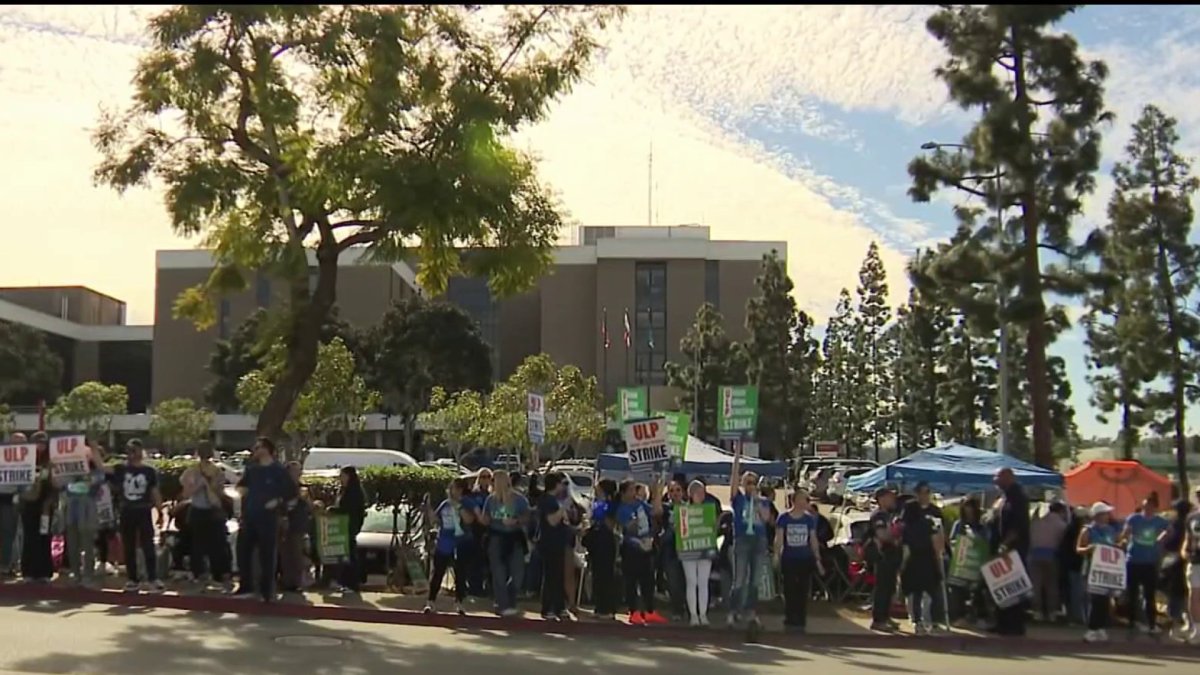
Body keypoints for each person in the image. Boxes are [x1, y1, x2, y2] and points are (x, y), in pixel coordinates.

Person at [232, 437, 297, 602]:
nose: (255, 450)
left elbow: (291, 494)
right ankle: (246, 587)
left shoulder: (278, 470)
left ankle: (266, 591)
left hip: (268, 519)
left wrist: (278, 501)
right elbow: (240, 486)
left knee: (267, 555)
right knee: (243, 551)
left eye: (258, 447)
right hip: (249, 516)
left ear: (267, 449)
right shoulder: (252, 469)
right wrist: (242, 491)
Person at [108, 439, 163, 592]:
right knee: (129, 546)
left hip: (144, 510)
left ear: (141, 451)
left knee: (148, 545)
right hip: (127, 510)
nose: (133, 454)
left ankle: (153, 578)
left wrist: (160, 510)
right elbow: (101, 468)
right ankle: (133, 579)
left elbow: (154, 491)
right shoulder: (121, 469)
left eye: (135, 450)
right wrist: (93, 448)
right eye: (130, 451)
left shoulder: (149, 471)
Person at [728, 457, 772, 629]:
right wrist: (736, 459)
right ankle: (733, 612)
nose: (750, 485)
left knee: (754, 581)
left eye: (753, 483)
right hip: (742, 540)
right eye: (747, 483)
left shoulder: (764, 501)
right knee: (739, 579)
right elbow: (732, 483)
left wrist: (757, 501)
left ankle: (751, 612)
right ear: (743, 484)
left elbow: (766, 518)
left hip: (759, 540)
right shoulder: (738, 499)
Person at [617, 476, 667, 625]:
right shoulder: (622, 508)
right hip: (631, 548)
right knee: (632, 581)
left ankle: (650, 611)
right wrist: (635, 520)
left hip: (646, 546)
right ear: (624, 492)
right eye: (632, 489)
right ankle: (634, 612)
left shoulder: (640, 503)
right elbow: (628, 527)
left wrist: (657, 492)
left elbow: (656, 512)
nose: (635, 492)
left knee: (648, 581)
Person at [180, 443, 230, 589]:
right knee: (201, 545)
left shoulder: (215, 471)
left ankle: (210, 575)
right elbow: (187, 493)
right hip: (200, 510)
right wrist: (200, 485)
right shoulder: (194, 471)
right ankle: (205, 574)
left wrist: (206, 485)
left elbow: (217, 492)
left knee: (210, 544)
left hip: (209, 510)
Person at [480, 470, 529, 617]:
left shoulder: (519, 499)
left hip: (514, 537)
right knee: (498, 573)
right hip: (496, 537)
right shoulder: (491, 500)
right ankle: (502, 604)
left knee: (518, 573)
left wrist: (517, 521)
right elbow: (485, 518)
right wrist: (484, 519)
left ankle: (509, 599)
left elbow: (527, 516)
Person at [775, 488, 823, 633]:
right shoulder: (784, 518)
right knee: (789, 589)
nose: (804, 502)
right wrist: (776, 555)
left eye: (806, 499)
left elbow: (813, 539)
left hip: (805, 557)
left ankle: (801, 619)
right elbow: (779, 538)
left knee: (803, 589)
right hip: (789, 558)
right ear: (794, 500)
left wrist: (817, 559)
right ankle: (790, 618)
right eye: (802, 499)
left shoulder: (809, 519)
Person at [425, 477, 475, 616]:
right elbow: (435, 519)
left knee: (461, 573)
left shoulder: (466, 503)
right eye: (452, 488)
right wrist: (429, 509)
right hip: (445, 541)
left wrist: (458, 507)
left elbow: (469, 520)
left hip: (461, 541)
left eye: (457, 488)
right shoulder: (445, 504)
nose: (454, 491)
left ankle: (459, 602)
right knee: (438, 572)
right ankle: (431, 601)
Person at [60, 443, 107, 587]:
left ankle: (88, 575)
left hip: (87, 509)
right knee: (72, 542)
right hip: (71, 509)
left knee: (87, 543)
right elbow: (61, 485)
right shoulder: (70, 472)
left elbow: (92, 485)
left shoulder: (96, 472)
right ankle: (75, 573)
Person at [1122, 493, 1169, 635]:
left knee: (1149, 594)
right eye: (1145, 505)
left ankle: (1151, 623)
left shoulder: (1160, 520)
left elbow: (1169, 530)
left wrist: (1160, 539)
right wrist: (1124, 540)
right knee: (1132, 592)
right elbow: (1125, 533)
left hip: (1150, 561)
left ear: (1155, 507)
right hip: (1133, 559)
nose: (1147, 508)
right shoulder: (1134, 518)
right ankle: (1132, 621)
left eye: (1150, 506)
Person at [992, 468, 1031, 636]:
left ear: (1008, 477)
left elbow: (1018, 525)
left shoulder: (1018, 497)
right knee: (1001, 585)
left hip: (1014, 548)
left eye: (998, 477)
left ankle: (1015, 625)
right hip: (1004, 546)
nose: (995, 480)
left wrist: (1005, 545)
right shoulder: (1004, 497)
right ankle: (1002, 622)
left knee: (1013, 586)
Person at [900, 488, 942, 635]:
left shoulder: (905, 527)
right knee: (929, 592)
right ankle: (929, 621)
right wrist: (938, 558)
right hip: (927, 559)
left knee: (914, 592)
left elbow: (905, 546)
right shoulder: (927, 524)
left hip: (913, 560)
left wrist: (902, 565)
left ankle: (917, 622)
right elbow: (936, 541)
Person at [678, 479, 718, 627]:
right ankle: (693, 615)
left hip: (704, 548)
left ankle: (703, 614)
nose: (702, 496)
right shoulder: (683, 510)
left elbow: (712, 528)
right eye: (698, 493)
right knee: (691, 581)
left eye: (703, 493)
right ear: (691, 494)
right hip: (689, 548)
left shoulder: (708, 510)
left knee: (703, 581)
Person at [1078, 501, 1119, 643]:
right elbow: (1079, 549)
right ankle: (1091, 629)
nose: (1107, 516)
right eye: (1105, 513)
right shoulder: (1087, 530)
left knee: (1105, 600)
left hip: (1107, 570)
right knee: (1095, 600)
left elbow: (1113, 546)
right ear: (1097, 516)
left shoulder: (1110, 530)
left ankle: (1100, 627)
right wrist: (1089, 548)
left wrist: (1120, 546)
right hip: (1092, 569)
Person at [19, 433, 55, 583]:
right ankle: (28, 571)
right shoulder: (24, 460)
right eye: (37, 442)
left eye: (43, 442)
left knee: (44, 537)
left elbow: (55, 485)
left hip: (46, 505)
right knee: (29, 537)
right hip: (28, 504)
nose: (41, 445)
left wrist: (50, 503)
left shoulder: (51, 461)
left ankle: (44, 572)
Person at [947, 496, 990, 626]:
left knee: (978, 589)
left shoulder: (981, 527)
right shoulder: (959, 525)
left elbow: (985, 542)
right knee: (957, 588)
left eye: (971, 508)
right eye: (966, 508)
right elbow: (952, 541)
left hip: (976, 562)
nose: (968, 511)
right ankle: (958, 616)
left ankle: (980, 616)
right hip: (961, 562)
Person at [537, 472, 571, 621]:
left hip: (558, 541)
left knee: (558, 575)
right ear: (556, 484)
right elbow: (552, 520)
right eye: (562, 483)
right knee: (551, 575)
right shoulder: (547, 500)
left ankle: (559, 606)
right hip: (549, 542)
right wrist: (563, 509)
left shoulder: (555, 500)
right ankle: (548, 607)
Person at [583, 478, 618, 620]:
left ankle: (608, 608)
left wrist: (603, 512)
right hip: (596, 541)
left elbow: (611, 525)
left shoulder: (611, 504)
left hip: (606, 541)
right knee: (596, 574)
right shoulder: (596, 503)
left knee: (606, 575)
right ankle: (599, 606)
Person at [868, 487, 902, 632]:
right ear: (881, 499)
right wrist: (895, 534)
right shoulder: (879, 515)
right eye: (890, 497)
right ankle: (878, 619)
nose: (893, 499)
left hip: (892, 556)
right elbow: (882, 535)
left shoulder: (889, 515)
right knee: (882, 588)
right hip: (883, 556)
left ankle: (886, 616)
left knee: (890, 587)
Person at [329, 466, 366, 595]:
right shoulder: (343, 490)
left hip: (349, 526)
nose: (341, 479)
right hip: (342, 526)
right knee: (345, 555)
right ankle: (344, 582)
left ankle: (352, 584)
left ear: (349, 476)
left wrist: (332, 510)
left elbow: (348, 510)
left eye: (343, 476)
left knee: (350, 555)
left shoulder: (354, 492)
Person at [1029, 501, 1068, 622]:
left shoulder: (1036, 522)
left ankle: (1037, 611)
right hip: (1052, 555)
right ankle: (1051, 612)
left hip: (1035, 555)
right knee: (1051, 585)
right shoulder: (1062, 525)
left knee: (1036, 584)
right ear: (1061, 511)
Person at [278, 461, 311, 593]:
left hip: (298, 524)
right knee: (285, 553)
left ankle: (296, 582)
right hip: (284, 523)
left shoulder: (302, 487)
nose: (298, 474)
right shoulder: (282, 487)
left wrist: (307, 499)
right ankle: (287, 581)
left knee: (296, 552)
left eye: (299, 471)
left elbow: (308, 506)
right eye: (295, 471)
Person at [1163, 498, 1193, 641]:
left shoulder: (1177, 524)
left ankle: (1175, 625)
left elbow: (1169, 544)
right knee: (1189, 594)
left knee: (1176, 593)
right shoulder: (1191, 523)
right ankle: (1188, 623)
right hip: (1189, 560)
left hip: (1177, 561)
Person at [0, 432, 27, 577]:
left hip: (12, 500)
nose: (17, 444)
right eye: (14, 441)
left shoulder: (27, 459)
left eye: (21, 442)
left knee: (9, 534)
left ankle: (6, 564)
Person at [1184, 486, 1200, 645]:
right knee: (1194, 595)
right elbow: (1188, 538)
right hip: (1196, 561)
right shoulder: (1192, 517)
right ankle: (1197, 630)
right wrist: (1185, 552)